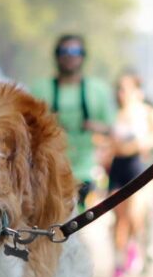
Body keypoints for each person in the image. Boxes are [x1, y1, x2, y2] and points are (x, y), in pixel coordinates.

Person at [30, 35, 115, 211]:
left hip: (85, 170)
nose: (69, 56)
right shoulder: (40, 88)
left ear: (83, 56)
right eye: (64, 51)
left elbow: (111, 128)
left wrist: (93, 126)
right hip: (48, 170)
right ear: (56, 56)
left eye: (75, 51)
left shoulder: (98, 89)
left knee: (77, 221)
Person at [107, 72, 153, 277]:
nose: (123, 93)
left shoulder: (149, 113)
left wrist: (145, 142)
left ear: (138, 91)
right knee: (119, 217)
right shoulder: (115, 114)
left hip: (140, 167)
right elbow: (108, 141)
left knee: (135, 215)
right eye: (120, 89)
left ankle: (134, 247)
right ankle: (119, 261)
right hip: (118, 167)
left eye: (127, 89)